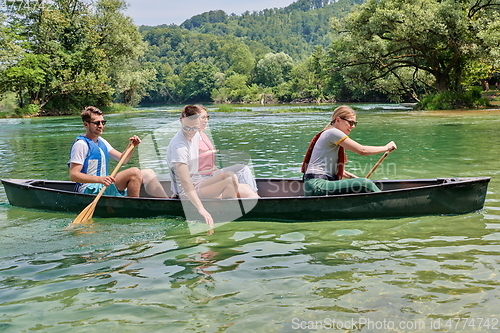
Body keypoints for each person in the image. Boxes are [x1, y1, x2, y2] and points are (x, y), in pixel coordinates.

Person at [166, 105, 258, 226]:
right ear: (181, 121)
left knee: (246, 189)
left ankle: (226, 207)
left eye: (194, 128)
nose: (190, 132)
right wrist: (201, 209)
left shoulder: (196, 133)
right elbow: (185, 182)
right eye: (187, 127)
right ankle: (225, 213)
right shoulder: (179, 147)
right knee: (230, 179)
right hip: (185, 192)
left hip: (198, 182)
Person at [69, 106, 168, 198]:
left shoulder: (101, 141)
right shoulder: (81, 144)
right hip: (89, 190)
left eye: (103, 122)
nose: (101, 126)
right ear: (86, 124)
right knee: (134, 172)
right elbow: (74, 175)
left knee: (148, 173)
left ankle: (167, 202)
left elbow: (122, 159)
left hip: (103, 185)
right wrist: (100, 179)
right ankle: (133, 207)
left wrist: (131, 146)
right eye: (97, 123)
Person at [302, 105, 397, 196]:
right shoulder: (333, 132)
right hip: (317, 185)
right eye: (350, 122)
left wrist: (355, 179)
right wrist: (386, 147)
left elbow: (338, 171)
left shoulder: (329, 134)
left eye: (355, 123)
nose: (353, 126)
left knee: (362, 182)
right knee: (365, 183)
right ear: (338, 120)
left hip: (315, 185)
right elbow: (362, 150)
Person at [197, 105, 259, 194]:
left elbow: (208, 162)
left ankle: (252, 195)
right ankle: (254, 196)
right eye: (203, 118)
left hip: (211, 173)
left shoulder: (202, 134)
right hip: (204, 178)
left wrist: (216, 170)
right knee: (242, 169)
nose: (206, 120)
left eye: (207, 117)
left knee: (243, 169)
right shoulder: (191, 139)